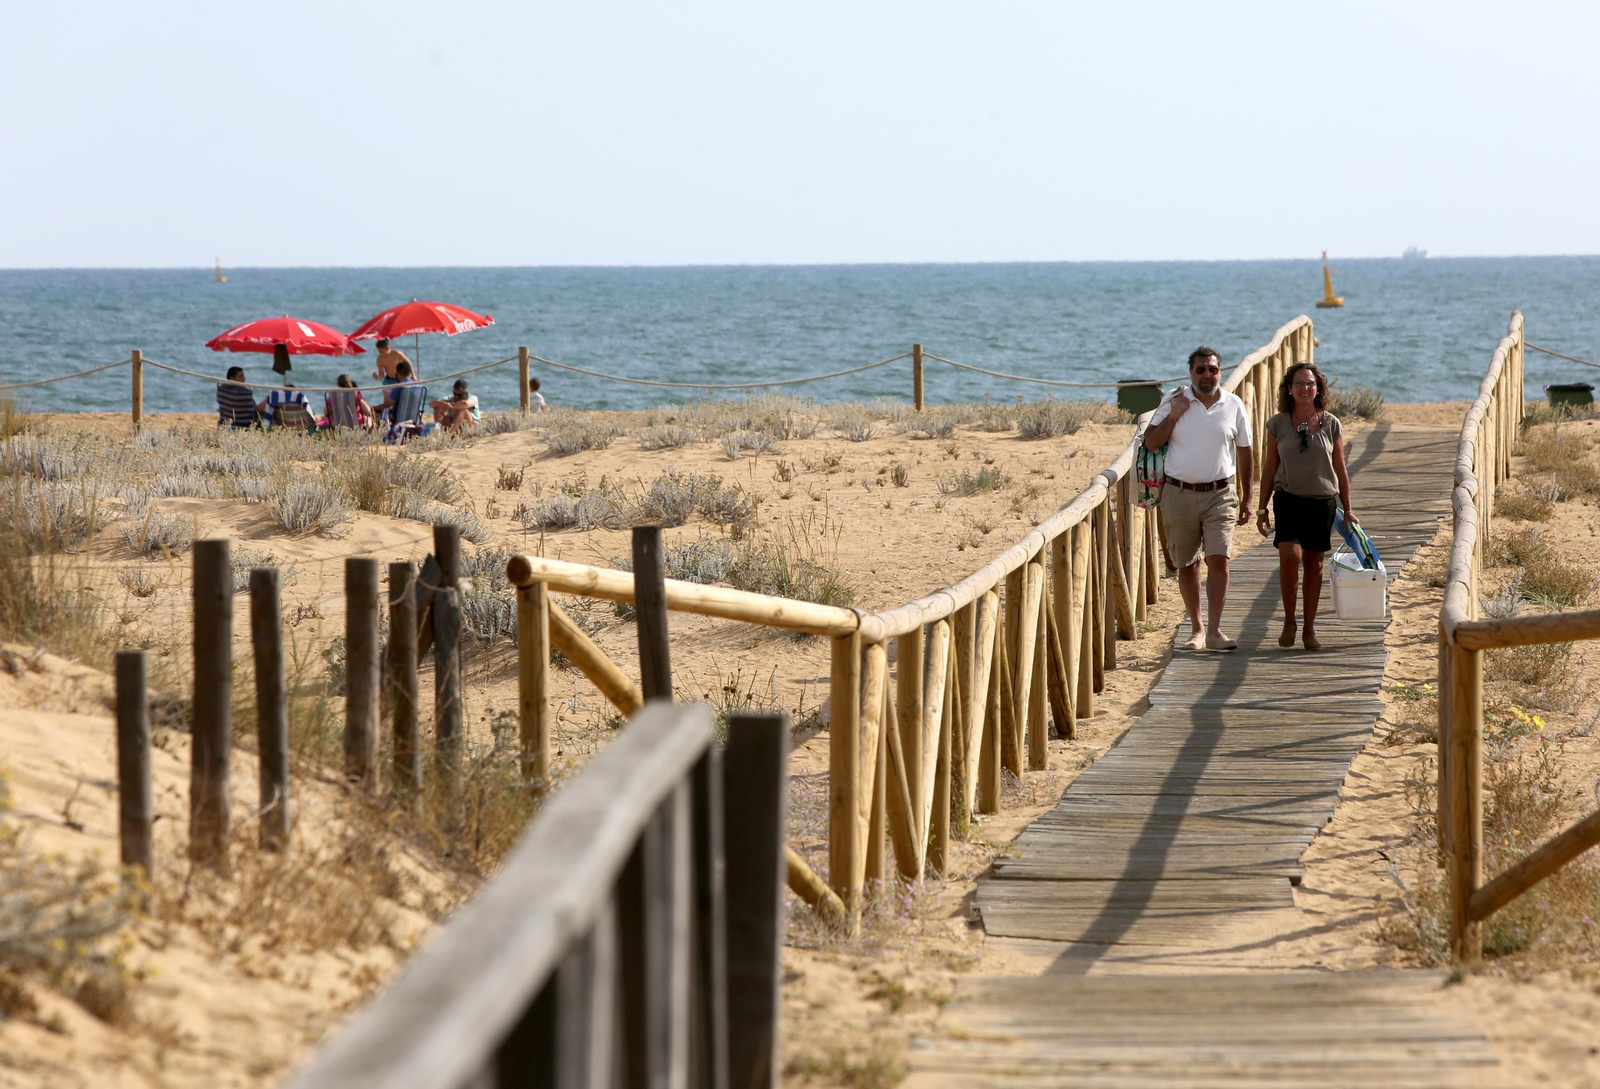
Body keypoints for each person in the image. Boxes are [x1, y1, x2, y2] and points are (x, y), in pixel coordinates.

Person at [1142, 346, 1254, 651]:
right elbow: (1151, 442)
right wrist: (1175, 414)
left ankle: (1216, 631)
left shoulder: (1234, 404)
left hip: (1220, 493)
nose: (1207, 375)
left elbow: (1245, 450)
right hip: (1178, 493)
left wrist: (1247, 498)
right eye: (1200, 370)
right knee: (1188, 565)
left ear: (1220, 371)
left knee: (1219, 559)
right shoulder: (1175, 401)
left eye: (1213, 369)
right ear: (1191, 373)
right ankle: (1197, 629)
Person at [1255, 361, 1357, 651]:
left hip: (1322, 501)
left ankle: (1309, 629)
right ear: (1289, 389)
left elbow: (1340, 468)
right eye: (1298, 383)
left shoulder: (1331, 423)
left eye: (1310, 383)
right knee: (1289, 555)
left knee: (1315, 565)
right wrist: (1262, 508)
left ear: (1318, 388)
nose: (1304, 388)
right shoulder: (1277, 423)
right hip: (1288, 499)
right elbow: (1270, 466)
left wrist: (1348, 509)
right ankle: (1289, 621)